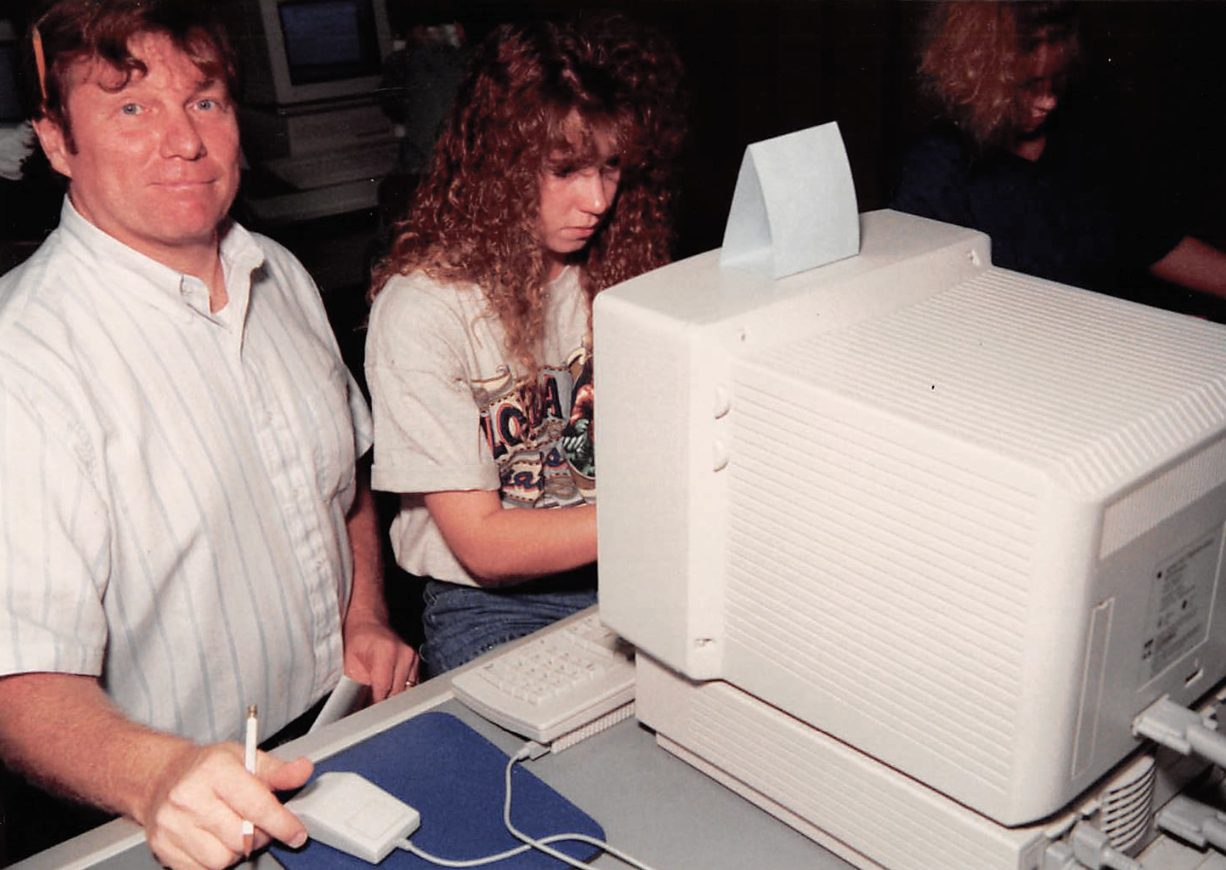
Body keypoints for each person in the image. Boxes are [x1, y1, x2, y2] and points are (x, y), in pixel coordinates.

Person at [0, 1, 418, 866]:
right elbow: (19, 683)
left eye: (205, 101)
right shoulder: (25, 360)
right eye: (130, 107)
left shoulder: (283, 275)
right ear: (54, 140)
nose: (184, 142)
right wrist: (158, 777)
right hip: (152, 801)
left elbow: (343, 484)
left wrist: (364, 615)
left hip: (331, 738)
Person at [365, 16, 685, 678]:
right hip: (491, 604)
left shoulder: (619, 268)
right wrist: (672, 510)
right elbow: (484, 544)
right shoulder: (422, 309)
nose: (596, 199)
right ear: (499, 165)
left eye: (611, 166)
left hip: (623, 568)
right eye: (565, 169)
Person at [891, 1, 1226, 310]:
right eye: (1028, 86)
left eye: (1056, 81)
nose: (1048, 101)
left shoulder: (1081, 138)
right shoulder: (938, 168)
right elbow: (935, 306)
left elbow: (1149, 238)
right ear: (978, 77)